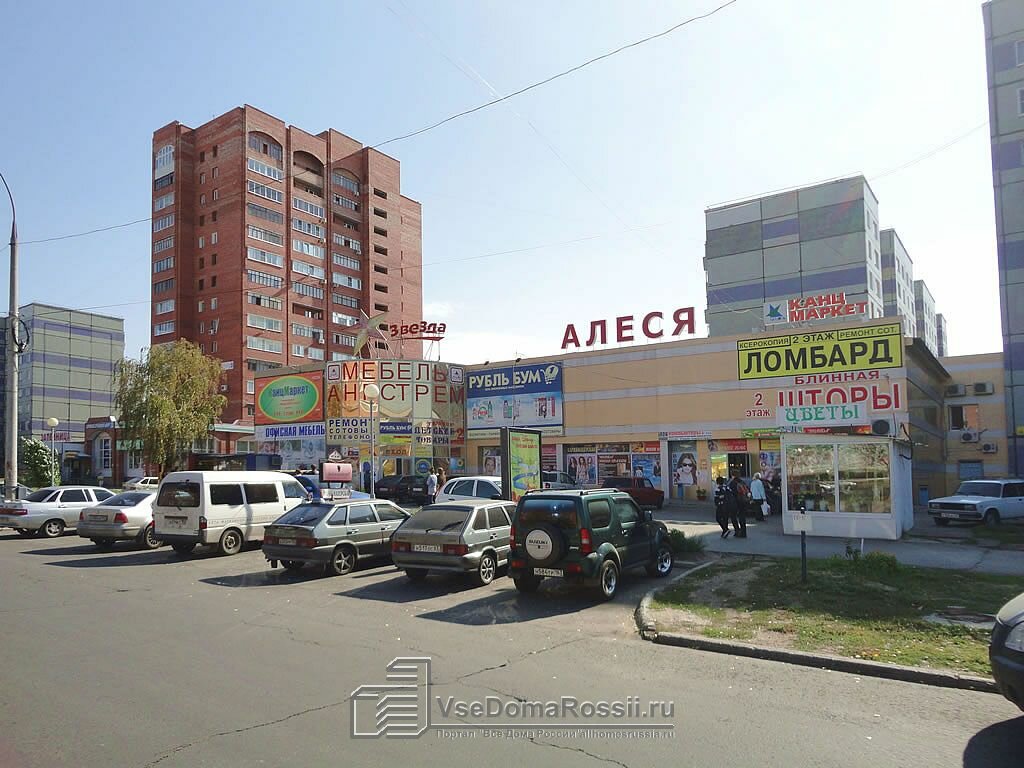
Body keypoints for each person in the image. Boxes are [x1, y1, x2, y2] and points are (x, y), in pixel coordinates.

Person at [727, 472, 748, 538]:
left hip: (735, 502)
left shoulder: (732, 483)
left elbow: (730, 493)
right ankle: (743, 532)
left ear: (733, 475)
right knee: (742, 516)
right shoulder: (742, 482)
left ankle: (737, 531)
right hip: (743, 501)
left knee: (733, 516)